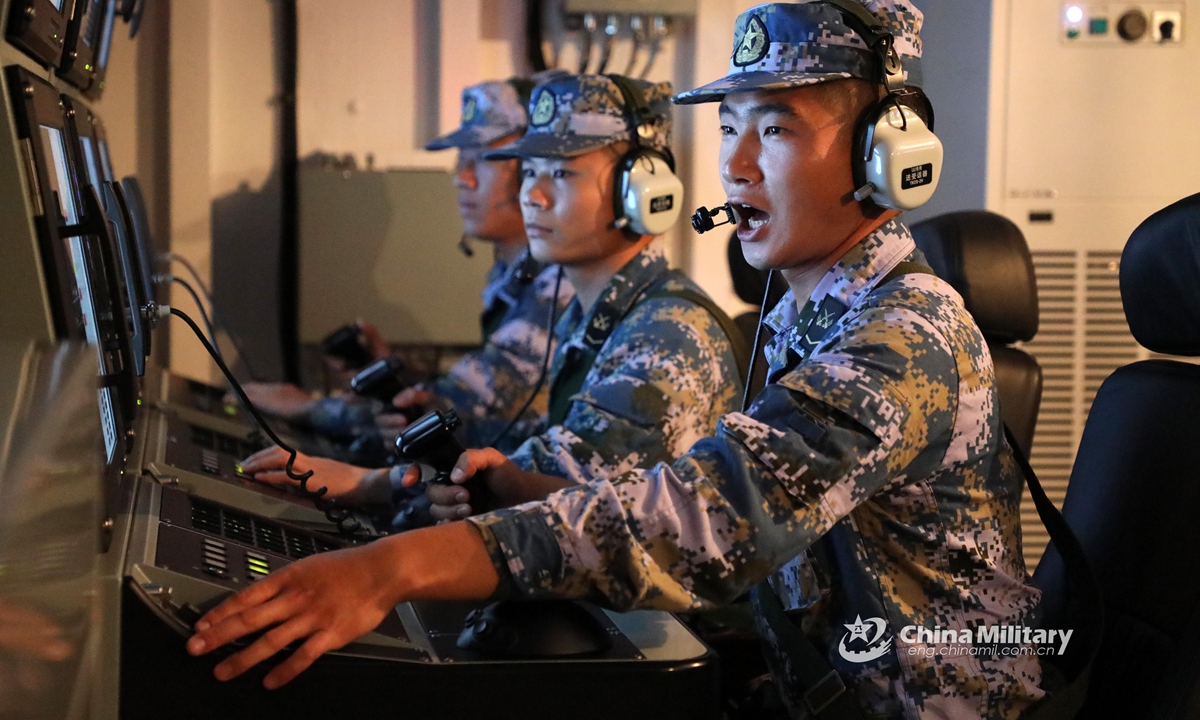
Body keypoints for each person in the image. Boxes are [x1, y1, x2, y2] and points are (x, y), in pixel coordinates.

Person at [188, 4, 1048, 717]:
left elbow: (706, 521)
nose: (736, 165)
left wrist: (392, 564)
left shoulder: (901, 338)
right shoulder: (804, 308)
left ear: (887, 158)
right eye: (730, 129)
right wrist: (473, 493)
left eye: (777, 129)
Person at [237, 72, 744, 527]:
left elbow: (546, 493)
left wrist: (371, 484)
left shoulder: (664, 335)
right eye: (527, 172)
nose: (533, 196)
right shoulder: (589, 315)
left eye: (562, 173)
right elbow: (528, 444)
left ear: (643, 193)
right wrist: (442, 425)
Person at [239, 76, 572, 453]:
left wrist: (309, 408)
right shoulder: (514, 272)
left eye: (481, 159)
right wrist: (398, 374)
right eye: (460, 159)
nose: (461, 178)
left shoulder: (557, 283)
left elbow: (455, 408)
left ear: (537, 169)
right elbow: (486, 393)